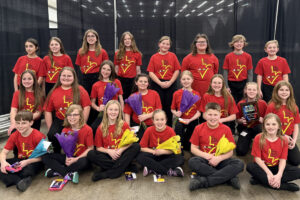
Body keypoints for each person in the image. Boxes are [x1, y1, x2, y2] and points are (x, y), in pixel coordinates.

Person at [189, 103, 244, 191]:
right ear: (205, 115)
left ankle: (205, 181)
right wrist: (207, 156)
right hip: (205, 160)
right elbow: (193, 148)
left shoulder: (226, 129)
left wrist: (219, 158)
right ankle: (228, 178)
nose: (213, 117)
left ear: (220, 115)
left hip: (221, 160)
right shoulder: (198, 128)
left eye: (215, 115)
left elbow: (230, 152)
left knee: (239, 164)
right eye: (210, 114)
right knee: (192, 161)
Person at [87, 100, 140, 182]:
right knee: (91, 154)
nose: (113, 112)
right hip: (108, 155)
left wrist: (121, 150)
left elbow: (131, 142)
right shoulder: (101, 127)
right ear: (106, 111)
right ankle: (124, 167)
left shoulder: (124, 125)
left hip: (121, 154)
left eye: (116, 110)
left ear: (119, 112)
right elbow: (98, 148)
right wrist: (109, 151)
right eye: (110, 109)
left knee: (136, 146)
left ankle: (108, 173)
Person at [246, 113, 300, 192]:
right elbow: (257, 159)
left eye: (274, 124)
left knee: (298, 172)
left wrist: (279, 175)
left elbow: (283, 159)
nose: (271, 127)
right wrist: (269, 173)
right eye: (268, 124)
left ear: (279, 126)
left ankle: (261, 180)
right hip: (263, 167)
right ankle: (282, 186)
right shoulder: (258, 138)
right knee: (250, 167)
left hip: (276, 167)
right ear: (264, 126)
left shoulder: (283, 140)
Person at [44, 67, 91, 153]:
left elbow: (87, 107)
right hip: (60, 120)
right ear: (60, 77)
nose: (66, 78)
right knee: (51, 135)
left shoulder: (80, 90)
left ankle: (75, 155)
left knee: (77, 137)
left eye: (69, 76)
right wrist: (50, 128)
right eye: (64, 75)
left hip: (75, 120)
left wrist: (82, 123)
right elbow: (47, 111)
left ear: (74, 78)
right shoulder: (54, 91)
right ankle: (57, 155)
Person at [42, 104, 93, 183]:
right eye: (69, 115)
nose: (72, 117)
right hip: (70, 157)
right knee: (45, 156)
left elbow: (90, 148)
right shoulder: (65, 130)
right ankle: (67, 173)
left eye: (75, 115)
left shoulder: (88, 129)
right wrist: (67, 158)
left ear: (80, 116)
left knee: (84, 162)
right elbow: (65, 148)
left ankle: (58, 171)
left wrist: (75, 159)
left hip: (81, 158)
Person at [0, 111, 45, 192]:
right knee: (2, 165)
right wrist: (3, 163)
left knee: (26, 171)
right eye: (17, 123)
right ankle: (19, 181)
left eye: (23, 123)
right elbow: (3, 152)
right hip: (21, 160)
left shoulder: (39, 136)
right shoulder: (14, 135)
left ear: (31, 123)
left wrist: (27, 162)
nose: (20, 126)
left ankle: (18, 178)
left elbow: (46, 156)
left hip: (34, 161)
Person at [136, 109, 184, 177]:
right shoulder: (149, 130)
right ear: (153, 121)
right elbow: (142, 148)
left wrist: (163, 151)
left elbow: (174, 149)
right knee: (139, 157)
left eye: (162, 119)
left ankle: (151, 168)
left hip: (165, 155)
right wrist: (153, 151)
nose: (159, 122)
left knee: (180, 158)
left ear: (166, 120)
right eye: (157, 120)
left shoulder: (170, 131)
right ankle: (168, 172)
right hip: (153, 155)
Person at [147, 36, 180, 126]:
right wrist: (160, 83)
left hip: (170, 83)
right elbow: (151, 72)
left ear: (169, 46)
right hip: (157, 84)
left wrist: (170, 82)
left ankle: (168, 127)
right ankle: (157, 126)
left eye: (167, 44)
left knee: (169, 106)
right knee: (158, 106)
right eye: (163, 43)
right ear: (159, 44)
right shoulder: (154, 57)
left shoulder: (173, 56)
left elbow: (177, 70)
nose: (165, 45)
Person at [265, 81, 300, 165]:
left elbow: (295, 125)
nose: (284, 92)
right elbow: (267, 126)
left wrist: (294, 141)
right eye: (281, 90)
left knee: (296, 161)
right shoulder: (271, 106)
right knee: (273, 161)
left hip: (289, 138)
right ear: (276, 91)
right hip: (275, 136)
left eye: (287, 90)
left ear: (290, 92)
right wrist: (283, 136)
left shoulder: (294, 107)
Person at [124, 73, 162, 138]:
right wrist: (128, 127)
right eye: (141, 81)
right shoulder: (132, 96)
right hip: (137, 126)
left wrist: (147, 116)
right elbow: (127, 113)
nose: (143, 83)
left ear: (148, 84)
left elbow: (159, 110)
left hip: (153, 124)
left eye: (145, 82)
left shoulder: (154, 94)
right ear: (136, 82)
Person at [90, 60, 124, 134]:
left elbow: (121, 100)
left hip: (115, 112)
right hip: (103, 113)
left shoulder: (116, 82)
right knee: (94, 128)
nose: (105, 71)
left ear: (112, 71)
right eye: (104, 69)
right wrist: (98, 108)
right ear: (100, 69)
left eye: (108, 70)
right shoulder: (96, 85)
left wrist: (121, 114)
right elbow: (92, 102)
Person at [171, 70, 201, 151]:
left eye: (188, 79)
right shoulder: (176, 93)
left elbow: (198, 112)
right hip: (181, 119)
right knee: (178, 128)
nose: (186, 81)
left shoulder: (196, 94)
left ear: (192, 80)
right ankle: (179, 149)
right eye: (183, 79)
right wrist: (176, 113)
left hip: (192, 120)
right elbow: (172, 109)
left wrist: (190, 120)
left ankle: (187, 145)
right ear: (180, 81)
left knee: (189, 146)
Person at [236, 82, 267, 156]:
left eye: (254, 90)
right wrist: (241, 120)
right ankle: (248, 139)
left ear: (257, 91)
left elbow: (269, 118)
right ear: (245, 91)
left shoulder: (263, 103)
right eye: (249, 89)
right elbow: (237, 120)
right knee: (240, 151)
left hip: (259, 128)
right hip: (246, 128)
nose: (251, 91)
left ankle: (260, 141)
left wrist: (263, 120)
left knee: (265, 149)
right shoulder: (240, 103)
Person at [8, 70, 43, 135]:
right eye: (24, 79)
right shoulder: (17, 93)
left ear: (34, 80)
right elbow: (13, 110)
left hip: (33, 121)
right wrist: (14, 124)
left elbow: (38, 113)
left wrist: (26, 121)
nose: (26, 81)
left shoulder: (39, 94)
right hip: (20, 121)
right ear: (21, 81)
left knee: (33, 139)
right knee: (14, 134)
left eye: (29, 79)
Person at [75, 29, 109, 95]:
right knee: (85, 96)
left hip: (98, 77)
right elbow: (79, 66)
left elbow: (106, 66)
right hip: (84, 79)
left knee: (97, 97)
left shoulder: (103, 52)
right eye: (88, 36)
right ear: (86, 39)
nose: (91, 38)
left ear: (96, 39)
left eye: (93, 36)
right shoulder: (81, 51)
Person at [223, 34, 253, 103]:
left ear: (244, 44)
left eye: (241, 42)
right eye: (236, 42)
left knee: (243, 102)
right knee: (232, 102)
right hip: (231, 83)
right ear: (233, 44)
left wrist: (248, 86)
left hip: (243, 83)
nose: (239, 43)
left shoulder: (248, 56)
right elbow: (225, 72)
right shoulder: (228, 56)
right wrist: (226, 86)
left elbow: (250, 72)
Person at [114, 31, 142, 100]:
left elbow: (138, 70)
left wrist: (139, 81)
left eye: (129, 39)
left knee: (132, 99)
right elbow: (116, 68)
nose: (127, 41)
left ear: (132, 41)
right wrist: (115, 80)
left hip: (132, 81)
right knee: (121, 99)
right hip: (121, 80)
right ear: (122, 41)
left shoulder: (137, 54)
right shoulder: (117, 53)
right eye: (125, 39)